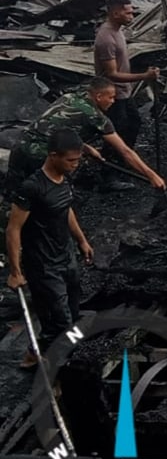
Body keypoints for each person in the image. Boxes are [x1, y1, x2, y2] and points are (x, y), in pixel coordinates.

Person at [5, 129, 93, 369]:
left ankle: (37, 351)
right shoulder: (32, 187)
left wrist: (81, 241)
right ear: (53, 156)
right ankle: (59, 373)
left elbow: (66, 208)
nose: (75, 165)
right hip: (43, 265)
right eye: (71, 160)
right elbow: (13, 229)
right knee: (61, 321)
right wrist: (15, 271)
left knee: (72, 314)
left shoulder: (65, 177)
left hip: (66, 255)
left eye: (78, 159)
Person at [6, 80, 165, 194]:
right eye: (110, 97)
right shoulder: (95, 116)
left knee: (16, 195)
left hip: (20, 146)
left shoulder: (70, 97)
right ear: (98, 97)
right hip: (41, 155)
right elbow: (125, 151)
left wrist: (86, 148)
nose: (113, 101)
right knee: (52, 199)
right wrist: (151, 175)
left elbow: (56, 128)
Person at [94, 0, 161, 189]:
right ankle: (108, 176)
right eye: (128, 13)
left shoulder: (118, 31)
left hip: (124, 92)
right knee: (115, 133)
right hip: (112, 95)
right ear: (115, 13)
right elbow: (112, 74)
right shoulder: (106, 39)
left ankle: (123, 162)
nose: (132, 16)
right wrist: (144, 76)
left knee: (133, 123)